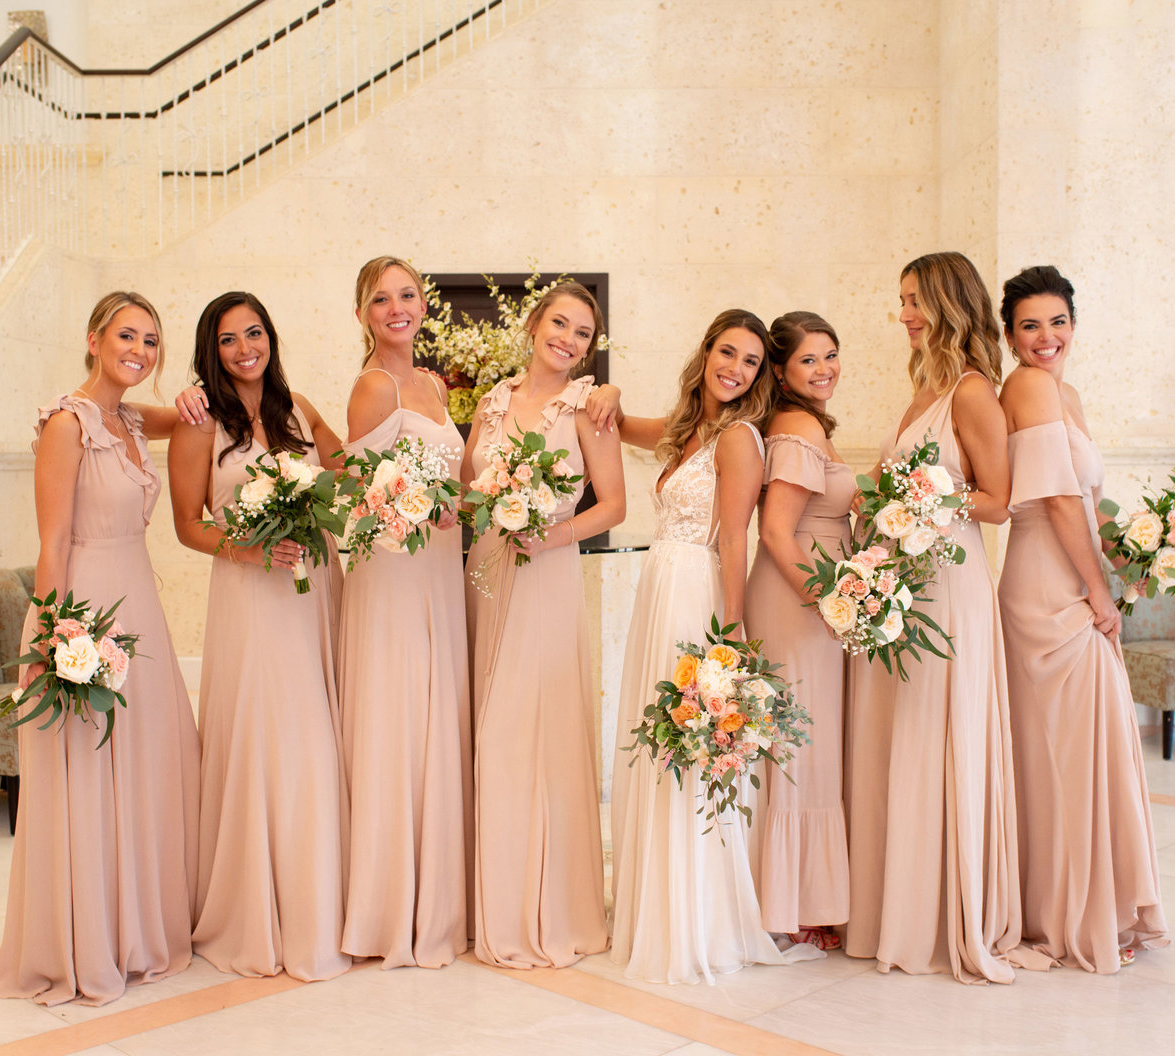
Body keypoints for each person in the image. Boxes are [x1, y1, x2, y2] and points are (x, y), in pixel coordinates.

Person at [0, 292, 200, 1006]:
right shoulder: (66, 424)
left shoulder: (132, 419)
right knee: (87, 773)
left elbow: (189, 415)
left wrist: (205, 396)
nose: (139, 350)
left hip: (141, 604)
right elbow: (50, 543)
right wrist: (54, 636)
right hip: (82, 609)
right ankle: (85, 941)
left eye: (151, 341)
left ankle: (137, 928)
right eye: (127, 336)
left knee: (147, 765)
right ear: (94, 338)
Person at [604, 309, 822, 984]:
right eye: (728, 353)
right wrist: (601, 396)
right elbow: (624, 426)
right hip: (659, 592)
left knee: (688, 752)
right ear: (705, 354)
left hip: (695, 593)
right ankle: (652, 907)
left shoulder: (738, 440)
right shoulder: (687, 430)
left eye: (752, 362)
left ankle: (693, 916)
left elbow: (736, 541)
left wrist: (728, 641)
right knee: (661, 743)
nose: (736, 368)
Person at [844, 252, 1030, 985]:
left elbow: (998, 499)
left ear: (949, 302)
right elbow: (898, 478)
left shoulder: (975, 392)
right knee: (901, 737)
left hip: (949, 583)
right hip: (901, 585)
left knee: (936, 733)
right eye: (900, 301)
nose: (904, 314)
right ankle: (899, 905)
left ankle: (942, 912)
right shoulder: (924, 388)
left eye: (915, 300)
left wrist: (920, 503)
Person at [168, 291, 351, 981]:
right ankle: (252, 907)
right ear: (210, 352)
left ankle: (316, 901)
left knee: (309, 735)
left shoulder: (297, 408)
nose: (245, 348)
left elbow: (349, 470)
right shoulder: (199, 421)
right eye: (228, 340)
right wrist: (250, 548)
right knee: (261, 733)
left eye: (254, 333)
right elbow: (189, 523)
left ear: (271, 337)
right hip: (250, 593)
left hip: (309, 594)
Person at [995, 265, 1169, 972]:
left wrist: (1139, 553)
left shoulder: (1067, 392)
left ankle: (1091, 902)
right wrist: (1099, 593)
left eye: (1058, 321)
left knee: (1082, 748)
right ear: (1010, 336)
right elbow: (1060, 502)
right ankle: (1069, 913)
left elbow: (1090, 502)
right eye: (1030, 325)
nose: (1047, 337)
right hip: (1046, 588)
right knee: (1064, 754)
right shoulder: (1029, 386)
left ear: (1074, 324)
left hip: (1077, 572)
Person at [463, 281, 625, 968]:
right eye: (560, 323)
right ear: (533, 324)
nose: (569, 338)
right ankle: (493, 902)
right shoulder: (492, 403)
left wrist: (552, 535)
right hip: (487, 575)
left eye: (584, 333)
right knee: (492, 729)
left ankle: (552, 905)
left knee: (538, 730)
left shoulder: (587, 408)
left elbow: (612, 505)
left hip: (548, 576)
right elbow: (471, 492)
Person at [335, 255, 470, 969]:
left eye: (408, 294)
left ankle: (437, 896)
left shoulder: (432, 383)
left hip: (439, 571)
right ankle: (391, 908)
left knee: (433, 715)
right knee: (397, 718)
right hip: (392, 575)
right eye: (380, 298)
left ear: (425, 304)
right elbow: (360, 500)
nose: (397, 307)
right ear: (362, 314)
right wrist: (432, 505)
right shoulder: (373, 387)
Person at [742, 311, 853, 950]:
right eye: (809, 360)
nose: (824, 368)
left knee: (804, 746)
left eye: (831, 355)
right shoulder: (796, 426)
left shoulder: (809, 424)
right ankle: (787, 907)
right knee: (797, 748)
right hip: (797, 601)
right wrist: (827, 600)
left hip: (813, 598)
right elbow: (776, 532)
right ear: (780, 372)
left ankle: (802, 896)